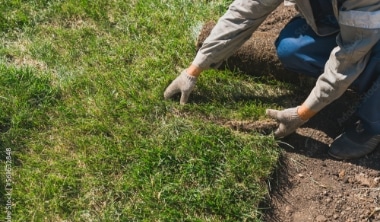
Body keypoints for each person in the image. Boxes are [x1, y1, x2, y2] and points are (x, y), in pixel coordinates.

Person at [163, 0, 380, 160]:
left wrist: (302, 113)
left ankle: (372, 125)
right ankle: (365, 78)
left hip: (368, 22)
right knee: (291, 48)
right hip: (356, 24)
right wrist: (193, 70)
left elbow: (348, 58)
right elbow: (245, 12)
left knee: (362, 63)